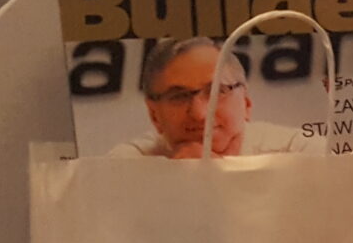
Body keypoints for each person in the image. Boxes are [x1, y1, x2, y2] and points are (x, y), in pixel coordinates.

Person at [112, 37, 325, 159]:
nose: (199, 114)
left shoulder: (303, 152)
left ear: (246, 103)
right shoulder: (127, 164)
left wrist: (218, 177)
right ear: (154, 115)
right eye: (178, 97)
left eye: (217, 92)